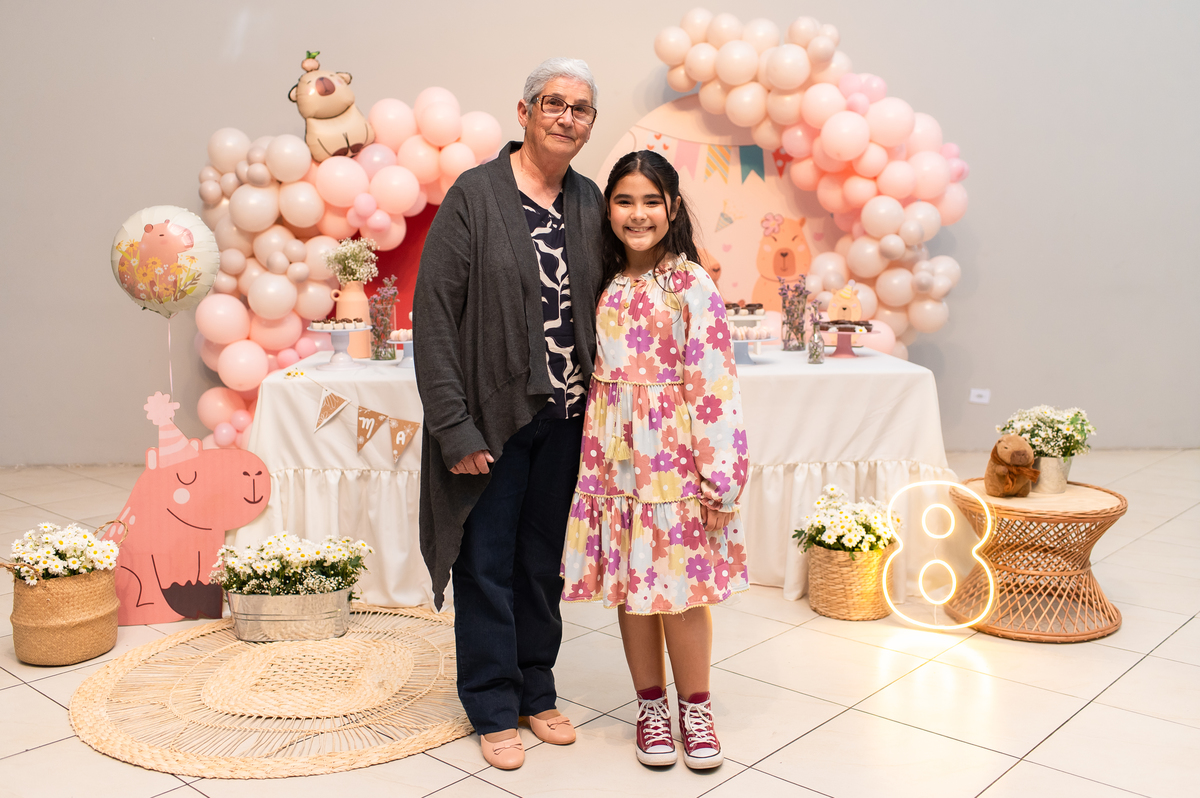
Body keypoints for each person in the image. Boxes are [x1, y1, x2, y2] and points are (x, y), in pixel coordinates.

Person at [412, 58, 604, 771]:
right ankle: (493, 705)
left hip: (568, 421)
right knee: (487, 563)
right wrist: (453, 426)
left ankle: (536, 689)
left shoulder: (589, 199)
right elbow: (434, 316)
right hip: (492, 421)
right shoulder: (475, 195)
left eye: (580, 109)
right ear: (524, 113)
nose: (566, 117)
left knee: (540, 565)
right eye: (553, 103)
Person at [560, 150, 749, 770]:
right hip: (613, 460)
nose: (637, 214)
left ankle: (696, 707)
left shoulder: (691, 284)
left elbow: (714, 382)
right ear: (607, 208)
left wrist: (720, 477)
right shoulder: (600, 280)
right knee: (631, 584)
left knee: (682, 591)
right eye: (624, 200)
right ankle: (650, 707)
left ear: (672, 207)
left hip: (674, 461)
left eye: (650, 201)